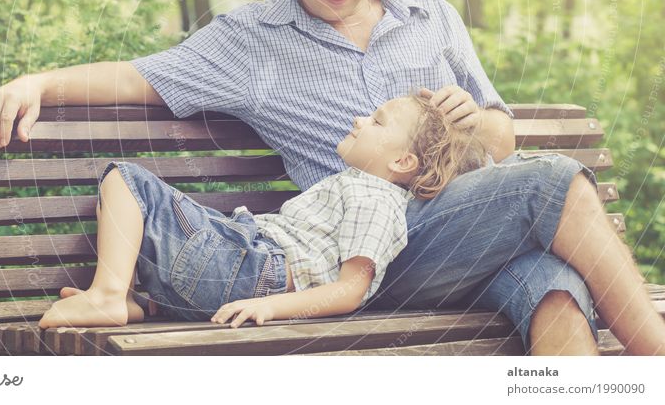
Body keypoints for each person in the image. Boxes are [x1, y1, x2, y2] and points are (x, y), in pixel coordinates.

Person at [0, 0, 665, 355]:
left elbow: (501, 137)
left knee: (555, 283)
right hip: (368, 258)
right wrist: (39, 81)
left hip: (470, 238)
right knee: (554, 181)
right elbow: (139, 77)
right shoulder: (250, 42)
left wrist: (476, 124)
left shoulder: (432, 14)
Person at [37, 95, 488, 329]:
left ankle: (109, 294)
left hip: (252, 270)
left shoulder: (376, 199)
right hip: (240, 265)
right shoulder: (359, 187)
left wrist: (269, 307)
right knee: (169, 211)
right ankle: (141, 304)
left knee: (128, 180)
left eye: (377, 122)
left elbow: (352, 290)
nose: (359, 121)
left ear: (402, 163)